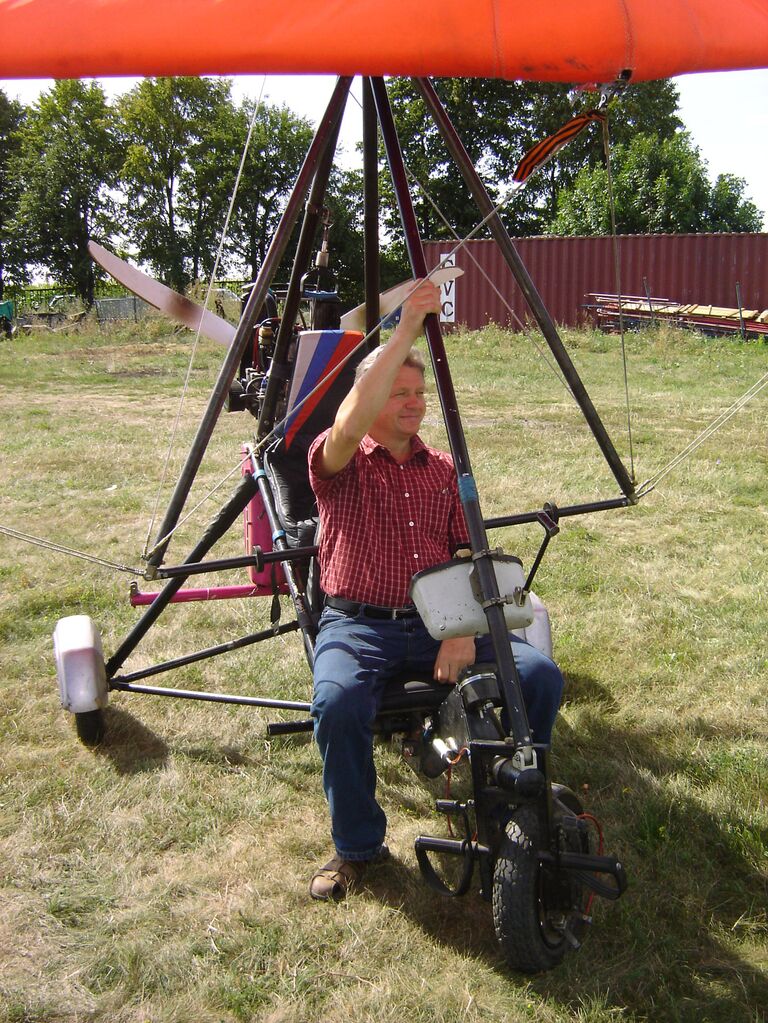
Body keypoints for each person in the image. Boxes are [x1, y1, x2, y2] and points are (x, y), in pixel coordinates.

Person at [307, 280, 563, 900]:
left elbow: (467, 553)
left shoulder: (444, 470)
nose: (416, 403)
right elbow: (347, 421)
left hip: (437, 622)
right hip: (358, 623)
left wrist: (463, 629)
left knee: (540, 677)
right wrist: (404, 332)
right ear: (370, 400)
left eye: (421, 393)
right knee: (338, 705)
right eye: (400, 393)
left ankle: (513, 798)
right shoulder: (338, 459)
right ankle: (357, 845)